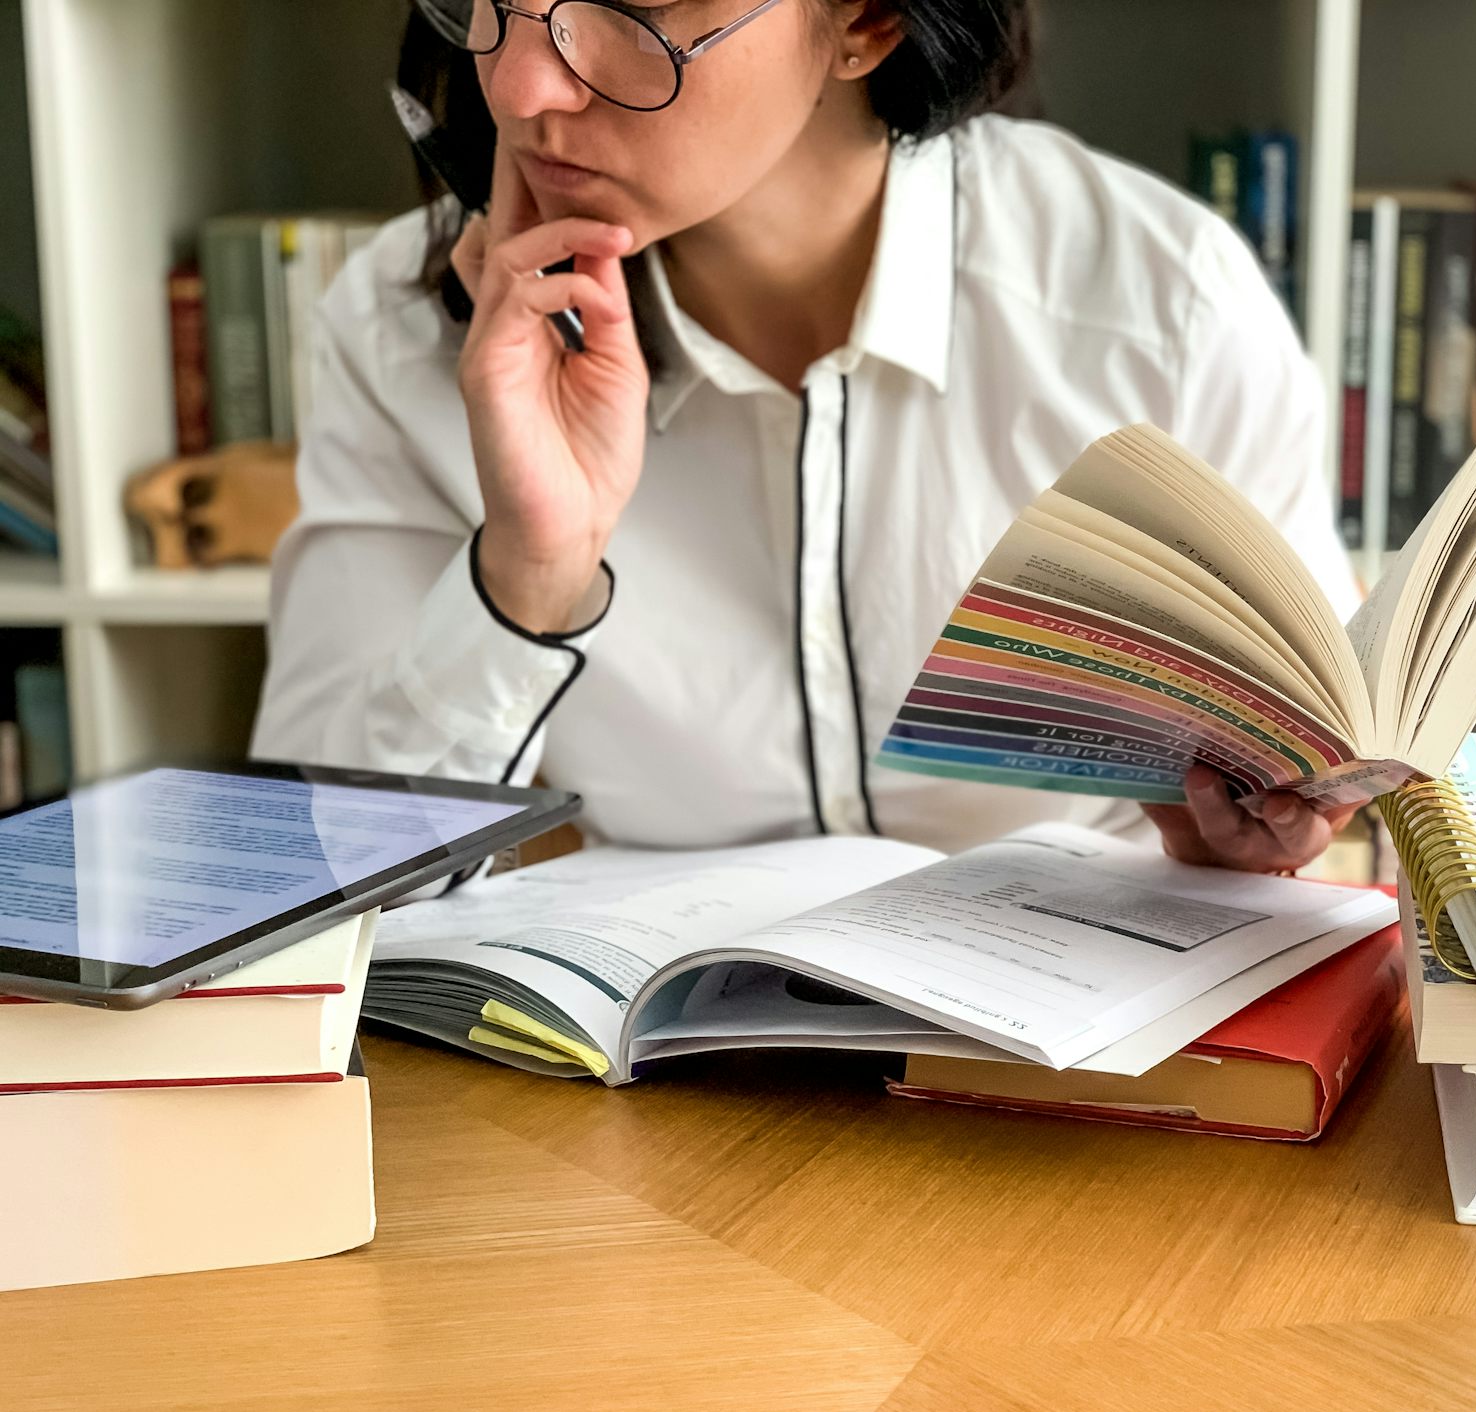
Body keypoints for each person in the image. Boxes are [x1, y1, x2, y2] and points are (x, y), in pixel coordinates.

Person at [253, 0, 1364, 873]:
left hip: (1066, 1096)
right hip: (648, 1108)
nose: (524, 82)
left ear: (867, 17)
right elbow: (320, 891)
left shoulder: (1163, 316)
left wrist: (1251, 834)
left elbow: (1313, 784)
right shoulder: (401, 336)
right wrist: (526, 573)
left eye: (637, 7)